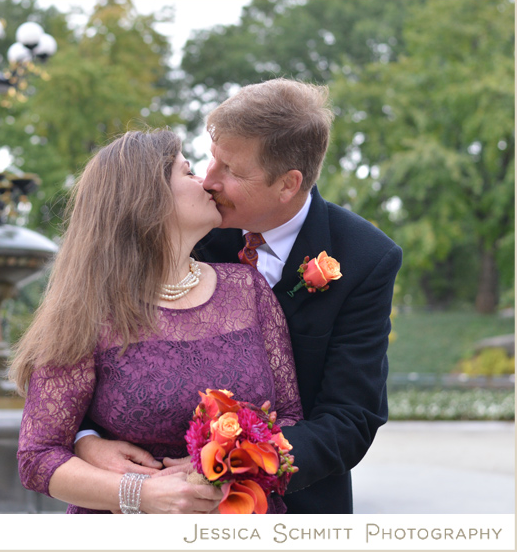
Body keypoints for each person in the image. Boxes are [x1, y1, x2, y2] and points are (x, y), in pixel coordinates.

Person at [75, 78, 402, 514]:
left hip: (296, 512)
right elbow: (94, 349)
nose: (209, 181)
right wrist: (87, 441)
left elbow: (350, 418)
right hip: (150, 497)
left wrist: (230, 465)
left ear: (288, 184)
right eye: (212, 160)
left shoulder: (365, 258)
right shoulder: (187, 230)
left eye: (231, 170)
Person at [11, 129, 303, 514]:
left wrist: (236, 464)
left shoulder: (247, 288)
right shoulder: (87, 310)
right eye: (188, 172)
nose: (205, 182)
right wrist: (138, 494)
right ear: (149, 199)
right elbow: (37, 456)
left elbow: (290, 418)